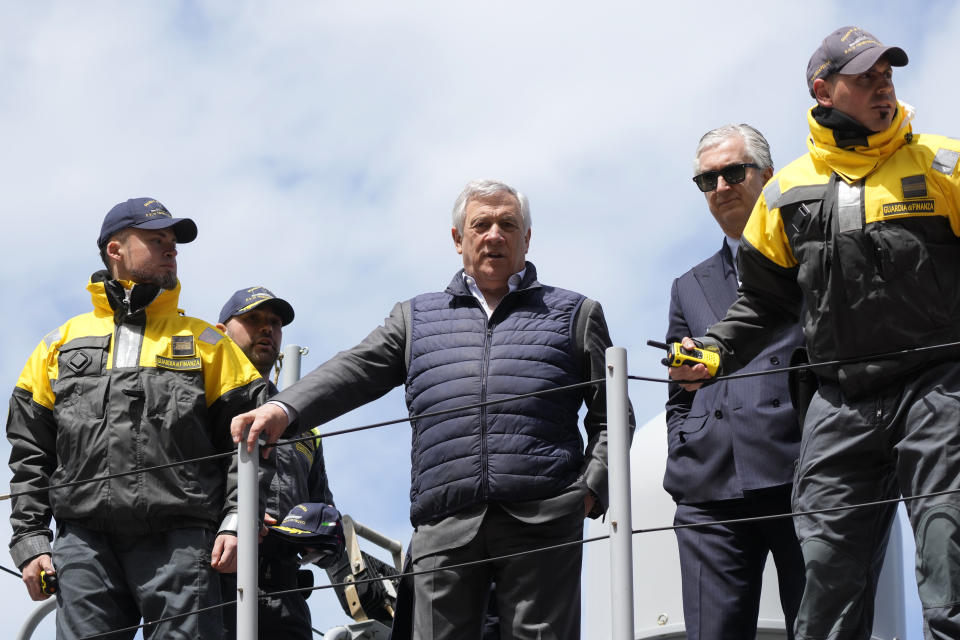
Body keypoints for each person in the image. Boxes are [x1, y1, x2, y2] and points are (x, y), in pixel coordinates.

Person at [231, 178, 632, 640]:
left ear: (527, 238)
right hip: (445, 526)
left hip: (542, 521)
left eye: (508, 224)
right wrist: (285, 408)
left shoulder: (574, 313)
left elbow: (613, 416)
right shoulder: (416, 318)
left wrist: (587, 492)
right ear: (458, 239)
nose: (494, 234)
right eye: (481, 224)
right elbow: (356, 368)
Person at [669, 27, 960, 639]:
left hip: (938, 388)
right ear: (824, 91)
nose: (883, 86)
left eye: (888, 75)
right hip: (841, 398)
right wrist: (713, 352)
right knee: (825, 588)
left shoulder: (944, 165)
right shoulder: (785, 196)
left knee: (949, 564)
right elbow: (762, 303)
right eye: (865, 77)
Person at [6, 198, 268, 639]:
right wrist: (31, 542)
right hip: (85, 545)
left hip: (182, 541)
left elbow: (251, 442)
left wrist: (237, 520)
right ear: (116, 250)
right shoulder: (58, 344)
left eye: (173, 242)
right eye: (157, 239)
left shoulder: (208, 343)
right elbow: (30, 452)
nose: (171, 250)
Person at [664, 124, 805, 639]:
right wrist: (685, 443)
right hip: (711, 489)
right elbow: (679, 392)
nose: (721, 187)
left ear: (767, 176)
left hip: (802, 474)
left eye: (732, 172)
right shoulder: (688, 285)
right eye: (707, 179)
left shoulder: (809, 256)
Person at [217, 286, 335, 640]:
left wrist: (320, 532)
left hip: (286, 593)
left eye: (274, 322)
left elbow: (325, 507)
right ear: (222, 332)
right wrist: (236, 518)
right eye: (252, 319)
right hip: (214, 585)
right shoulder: (201, 407)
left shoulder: (300, 425)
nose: (266, 328)